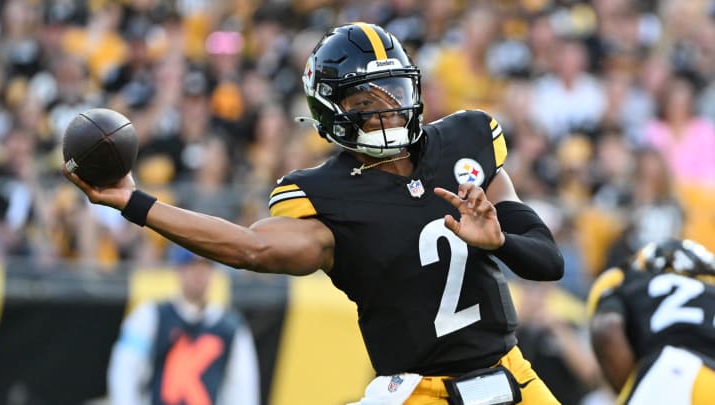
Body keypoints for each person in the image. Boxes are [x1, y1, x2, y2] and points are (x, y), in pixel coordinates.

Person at [67, 23, 564, 405]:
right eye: (368, 102)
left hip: (510, 372)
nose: (389, 112)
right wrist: (136, 203)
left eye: (396, 93)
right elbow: (250, 248)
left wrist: (501, 243)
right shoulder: (327, 195)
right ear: (332, 111)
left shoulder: (465, 142)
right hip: (419, 391)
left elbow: (547, 261)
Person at [107, 246, 260, 405]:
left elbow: (243, 387)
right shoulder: (150, 316)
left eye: (205, 266)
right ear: (178, 269)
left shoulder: (231, 327)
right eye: (192, 266)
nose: (198, 274)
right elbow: (124, 372)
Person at [587, 239, 715, 404]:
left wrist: (630, 387)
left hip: (668, 374)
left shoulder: (626, 280)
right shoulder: (709, 291)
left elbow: (607, 330)